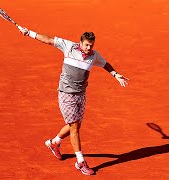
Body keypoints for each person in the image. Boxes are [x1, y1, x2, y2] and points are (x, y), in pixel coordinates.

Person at [18, 26, 129, 175]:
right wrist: (29, 33)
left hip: (81, 94)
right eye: (86, 45)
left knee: (74, 126)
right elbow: (49, 40)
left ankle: (54, 143)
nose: (89, 48)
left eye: (91, 45)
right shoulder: (68, 46)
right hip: (66, 94)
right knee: (75, 127)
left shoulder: (94, 55)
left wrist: (116, 75)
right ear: (80, 43)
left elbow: (105, 64)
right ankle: (80, 162)